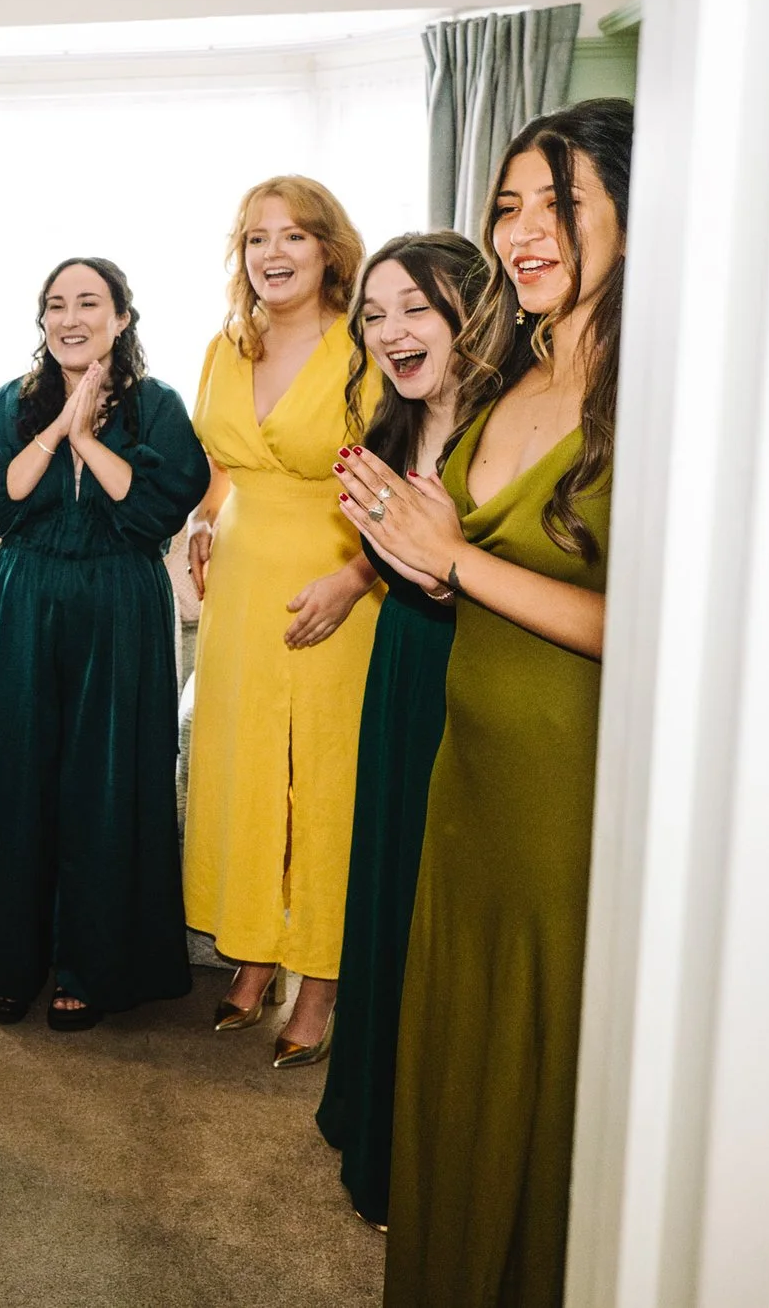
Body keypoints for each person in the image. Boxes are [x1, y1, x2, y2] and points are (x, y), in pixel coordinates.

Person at [341, 99, 631, 1306]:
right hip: (468, 766)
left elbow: (650, 628)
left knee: (546, 1055)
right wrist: (416, 557)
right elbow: (481, 575)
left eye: (558, 203)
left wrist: (454, 558)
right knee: (460, 1038)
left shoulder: (654, 389)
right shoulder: (515, 366)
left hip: (571, 787)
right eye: (507, 205)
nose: (522, 230)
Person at [0, 257, 211, 1030]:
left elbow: (158, 505)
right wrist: (57, 425)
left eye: (89, 302)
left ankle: (89, 964)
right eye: (56, 304)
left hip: (120, 605)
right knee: (16, 774)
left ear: (121, 318)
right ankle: (11, 960)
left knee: (107, 782)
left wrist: (86, 437)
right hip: (25, 599)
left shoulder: (158, 406)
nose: (71, 317)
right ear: (42, 321)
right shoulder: (11, 401)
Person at [312, 231, 496, 1227]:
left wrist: (444, 565)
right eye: (374, 315)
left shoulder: (511, 428)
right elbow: (397, 562)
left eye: (414, 307)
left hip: (478, 674)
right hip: (402, 665)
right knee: (386, 881)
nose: (390, 331)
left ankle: (431, 1145)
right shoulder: (389, 430)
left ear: (471, 308)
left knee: (444, 903)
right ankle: (370, 1110)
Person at [181, 175, 383, 1066]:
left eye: (293, 235)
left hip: (338, 586)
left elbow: (408, 476)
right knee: (248, 767)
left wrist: (357, 576)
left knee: (324, 780)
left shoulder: (367, 346)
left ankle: (322, 976)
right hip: (239, 591)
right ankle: (256, 950)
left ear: (330, 250)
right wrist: (200, 518)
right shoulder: (226, 345)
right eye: (257, 237)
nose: (273, 252)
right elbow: (220, 465)